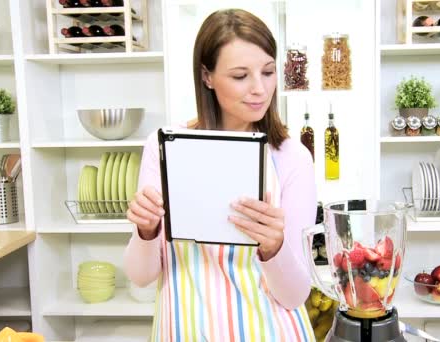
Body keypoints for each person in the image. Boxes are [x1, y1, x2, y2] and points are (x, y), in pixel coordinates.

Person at [124, 8, 317, 341]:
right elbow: (140, 276)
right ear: (207, 76)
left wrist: (275, 248)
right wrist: (146, 230)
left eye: (268, 72)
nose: (260, 89)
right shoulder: (164, 147)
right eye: (241, 76)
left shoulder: (291, 157)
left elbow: (296, 295)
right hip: (184, 331)